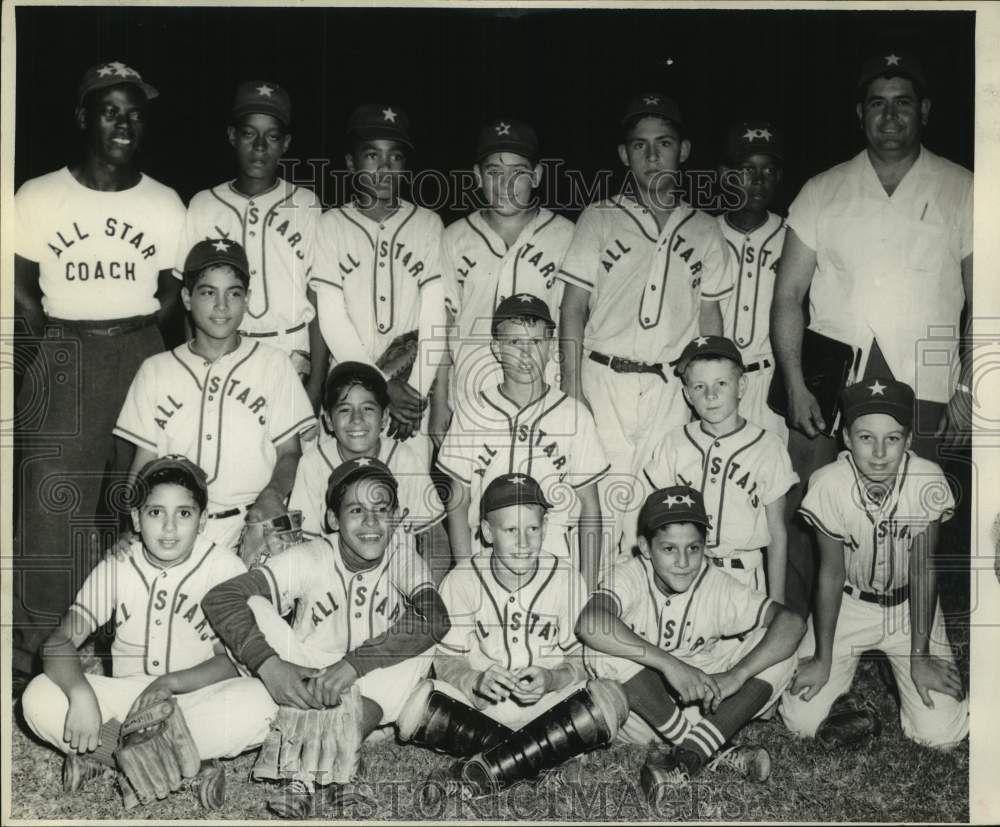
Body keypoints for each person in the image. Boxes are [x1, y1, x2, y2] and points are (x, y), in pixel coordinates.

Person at [770, 50, 974, 618]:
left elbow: (985, 298)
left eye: (903, 103)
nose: (890, 117)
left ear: (925, 111)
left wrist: (970, 386)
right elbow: (788, 296)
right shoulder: (822, 189)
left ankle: (912, 637)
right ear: (860, 113)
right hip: (831, 380)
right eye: (877, 105)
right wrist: (794, 384)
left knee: (918, 512)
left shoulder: (965, 187)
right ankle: (797, 635)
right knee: (811, 505)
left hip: (925, 378)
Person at [12, 60, 186, 689]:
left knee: (137, 501)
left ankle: (127, 647)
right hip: (64, 347)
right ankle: (35, 659)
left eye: (135, 111)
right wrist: (41, 362)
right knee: (51, 506)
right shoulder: (37, 194)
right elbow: (23, 290)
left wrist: (135, 338)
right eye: (111, 110)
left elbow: (172, 294)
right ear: (84, 116)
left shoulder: (165, 201)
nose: (124, 123)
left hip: (138, 348)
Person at [202, 457, 451, 817]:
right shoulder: (313, 555)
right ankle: (339, 768)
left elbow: (437, 618)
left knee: (424, 644)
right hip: (306, 673)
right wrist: (270, 666)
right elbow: (221, 598)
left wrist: (353, 665)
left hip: (371, 678)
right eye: (355, 510)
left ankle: (305, 773)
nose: (370, 521)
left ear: (396, 517)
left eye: (381, 509)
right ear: (333, 519)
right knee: (252, 602)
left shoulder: (401, 554)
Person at [19, 456, 260, 806]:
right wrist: (80, 694)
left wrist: (168, 683)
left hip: (190, 698)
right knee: (39, 697)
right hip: (127, 703)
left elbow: (230, 663)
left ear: (203, 520)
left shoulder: (224, 568)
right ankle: (181, 765)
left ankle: (111, 761)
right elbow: (59, 641)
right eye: (155, 512)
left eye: (184, 513)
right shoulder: (118, 564)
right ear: (135, 518)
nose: (169, 527)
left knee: (258, 703)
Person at [558, 92, 734, 550]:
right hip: (604, 378)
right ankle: (594, 605)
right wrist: (572, 390)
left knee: (662, 506)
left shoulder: (705, 227)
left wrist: (711, 391)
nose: (652, 155)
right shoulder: (598, 217)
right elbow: (572, 310)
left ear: (685, 150)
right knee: (597, 505)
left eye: (664, 143)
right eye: (640, 145)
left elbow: (709, 322)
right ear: (624, 154)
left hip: (669, 386)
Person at [396, 473, 628, 798]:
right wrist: (473, 680)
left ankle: (472, 771)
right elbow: (445, 659)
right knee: (417, 705)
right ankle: (546, 762)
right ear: (489, 533)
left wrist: (553, 678)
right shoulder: (462, 579)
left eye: (533, 529)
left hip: (549, 709)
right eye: (511, 530)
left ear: (545, 528)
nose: (524, 542)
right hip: (485, 710)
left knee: (610, 698)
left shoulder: (565, 577)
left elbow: (579, 660)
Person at [577, 485, 804, 798]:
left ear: (704, 547)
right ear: (645, 547)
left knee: (781, 650)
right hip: (643, 712)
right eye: (669, 548)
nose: (683, 561)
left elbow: (792, 622)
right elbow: (589, 622)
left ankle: (686, 758)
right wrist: (670, 665)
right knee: (600, 646)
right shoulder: (630, 574)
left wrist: (736, 677)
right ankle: (709, 748)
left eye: (693, 548)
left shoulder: (714, 582)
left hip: (706, 703)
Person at [779, 379, 968, 750]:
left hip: (908, 606)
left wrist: (921, 657)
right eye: (866, 438)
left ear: (909, 440)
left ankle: (900, 668)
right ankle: (847, 695)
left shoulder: (925, 478)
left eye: (893, 438)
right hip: (849, 603)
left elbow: (923, 569)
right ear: (847, 439)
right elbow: (831, 574)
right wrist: (822, 657)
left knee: (939, 735)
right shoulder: (829, 482)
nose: (879, 452)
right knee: (802, 722)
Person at [114, 239, 316, 551]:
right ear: (186, 297)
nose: (222, 306)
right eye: (208, 293)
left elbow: (290, 451)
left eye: (233, 293)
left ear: (247, 299)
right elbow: (143, 462)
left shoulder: (274, 363)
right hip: (176, 527)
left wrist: (273, 494)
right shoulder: (155, 369)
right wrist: (133, 525)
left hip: (252, 524)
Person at [436, 294, 609, 589]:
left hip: (553, 559)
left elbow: (590, 509)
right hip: (486, 554)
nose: (526, 354)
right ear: (496, 348)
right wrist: (467, 575)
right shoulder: (471, 411)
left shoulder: (574, 415)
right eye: (515, 343)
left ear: (551, 348)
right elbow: (458, 501)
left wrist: (588, 588)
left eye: (537, 342)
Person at [310, 103, 447, 459]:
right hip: (349, 390)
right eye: (372, 155)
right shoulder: (331, 225)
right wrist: (383, 386)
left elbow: (434, 317)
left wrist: (414, 395)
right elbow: (332, 320)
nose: (384, 167)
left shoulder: (428, 224)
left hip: (412, 390)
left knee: (410, 494)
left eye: (395, 157)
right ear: (352, 163)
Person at [181, 80, 326, 412]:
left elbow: (319, 295)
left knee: (289, 456)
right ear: (232, 136)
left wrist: (318, 380)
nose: (260, 146)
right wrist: (192, 361)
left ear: (286, 143)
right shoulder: (204, 204)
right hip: (222, 345)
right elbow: (190, 295)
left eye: (272, 137)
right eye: (249, 134)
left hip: (291, 347)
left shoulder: (305, 203)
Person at [438, 117, 574, 423]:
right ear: (477, 176)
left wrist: (569, 388)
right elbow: (444, 326)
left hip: (543, 390)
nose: (506, 185)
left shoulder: (566, 235)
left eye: (518, 174)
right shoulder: (455, 236)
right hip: (470, 392)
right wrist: (438, 404)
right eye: (494, 173)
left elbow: (573, 322)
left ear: (537, 176)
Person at [641, 336, 798, 601]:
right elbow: (653, 522)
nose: (710, 395)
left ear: (741, 386)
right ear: (687, 394)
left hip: (744, 576)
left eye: (721, 384)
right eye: (699, 386)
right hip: (687, 573)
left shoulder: (768, 446)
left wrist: (778, 602)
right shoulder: (675, 443)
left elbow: (777, 534)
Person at [289, 360, 448, 580]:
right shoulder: (312, 463)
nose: (357, 419)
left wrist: (425, 600)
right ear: (328, 420)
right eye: (345, 410)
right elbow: (304, 546)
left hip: (398, 587)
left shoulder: (405, 458)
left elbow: (435, 540)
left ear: (384, 417)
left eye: (368, 409)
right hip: (336, 587)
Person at [716, 120, 789, 441]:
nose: (758, 181)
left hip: (770, 381)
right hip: (713, 377)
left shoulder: (794, 237)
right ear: (724, 175)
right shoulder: (702, 233)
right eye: (746, 169)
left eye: (769, 170)